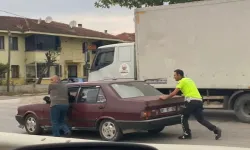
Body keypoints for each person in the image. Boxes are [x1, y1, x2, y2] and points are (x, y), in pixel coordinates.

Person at [159, 69, 222, 140]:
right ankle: (216, 130)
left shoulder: (181, 81)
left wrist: (165, 98)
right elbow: (189, 90)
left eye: (175, 75)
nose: (174, 77)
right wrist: (184, 95)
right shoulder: (189, 80)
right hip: (198, 101)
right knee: (201, 119)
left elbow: (174, 93)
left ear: (179, 75)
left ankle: (187, 134)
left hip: (191, 101)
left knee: (183, 116)